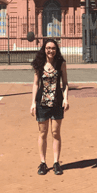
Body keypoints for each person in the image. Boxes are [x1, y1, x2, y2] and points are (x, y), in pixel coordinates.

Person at [29, 39, 70, 176]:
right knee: (42, 133)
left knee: (55, 132)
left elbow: (65, 83)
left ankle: (56, 162)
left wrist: (66, 99)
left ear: (56, 49)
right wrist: (33, 102)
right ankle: (42, 162)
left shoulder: (61, 64)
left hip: (57, 102)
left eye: (53, 48)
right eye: (48, 48)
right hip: (42, 103)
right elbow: (35, 84)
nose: (50, 50)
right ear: (44, 49)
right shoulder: (39, 65)